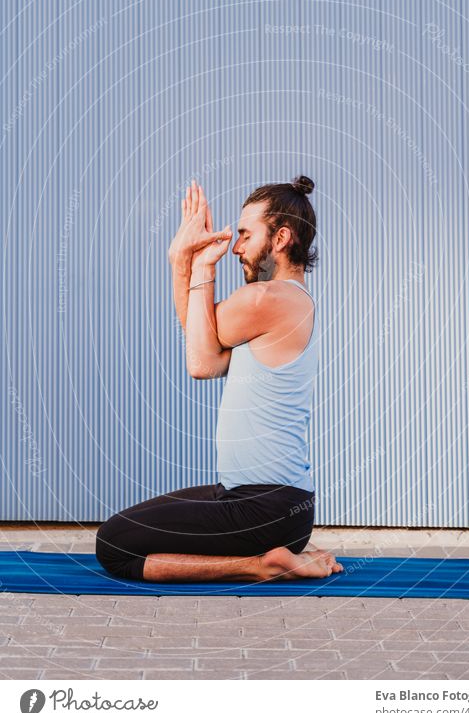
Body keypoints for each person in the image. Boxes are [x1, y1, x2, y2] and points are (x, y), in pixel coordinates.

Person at [95, 175, 343, 582]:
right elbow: (205, 351)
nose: (237, 247)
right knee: (129, 523)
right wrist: (188, 265)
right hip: (261, 501)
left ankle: (261, 565)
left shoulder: (265, 299)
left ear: (280, 238)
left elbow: (198, 362)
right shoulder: (285, 301)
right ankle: (288, 550)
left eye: (245, 234)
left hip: (264, 509)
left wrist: (187, 263)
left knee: (114, 545)